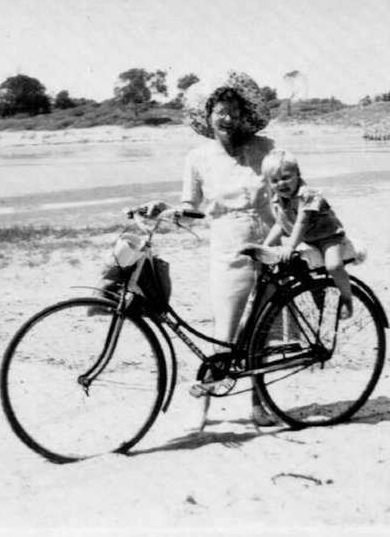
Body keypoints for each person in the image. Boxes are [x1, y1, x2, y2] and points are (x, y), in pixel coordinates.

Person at [146, 70, 278, 427]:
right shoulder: (198, 158)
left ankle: (259, 406)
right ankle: (201, 405)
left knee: (262, 332)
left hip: (269, 244)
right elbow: (191, 210)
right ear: (207, 116)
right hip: (228, 248)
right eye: (220, 110)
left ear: (243, 114)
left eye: (234, 110)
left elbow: (290, 186)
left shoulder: (265, 148)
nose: (227, 117)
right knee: (225, 331)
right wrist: (164, 209)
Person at [260, 151, 354, 319]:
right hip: (307, 238)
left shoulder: (307, 194)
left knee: (334, 266)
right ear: (268, 182)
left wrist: (290, 245)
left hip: (328, 235)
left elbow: (301, 223)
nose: (281, 184)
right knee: (299, 270)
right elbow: (279, 224)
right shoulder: (278, 199)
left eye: (286, 177)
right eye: (274, 180)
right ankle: (320, 301)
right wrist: (265, 246)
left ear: (298, 175)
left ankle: (347, 298)